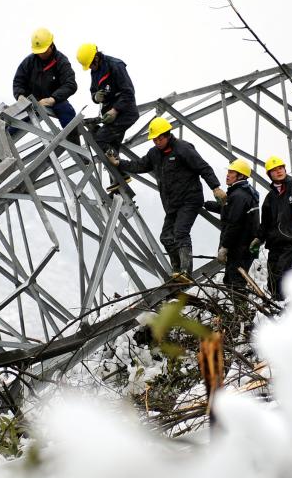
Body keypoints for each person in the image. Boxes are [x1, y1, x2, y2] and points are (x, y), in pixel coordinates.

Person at [110, 117, 226, 281]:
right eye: (154, 139)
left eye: (159, 138)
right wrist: (119, 164)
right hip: (172, 203)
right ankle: (177, 271)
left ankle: (186, 272)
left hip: (189, 199)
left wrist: (216, 187)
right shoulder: (154, 154)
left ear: (167, 135)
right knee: (165, 237)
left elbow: (203, 167)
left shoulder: (183, 149)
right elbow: (140, 165)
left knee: (181, 232)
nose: (157, 142)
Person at [0, 27, 77, 156]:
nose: (41, 54)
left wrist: (52, 99)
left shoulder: (61, 61)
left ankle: (78, 151)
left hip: (55, 100)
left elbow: (70, 84)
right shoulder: (29, 62)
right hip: (33, 101)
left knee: (68, 114)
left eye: (43, 51)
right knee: (16, 119)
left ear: (51, 45)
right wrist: (20, 96)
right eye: (39, 51)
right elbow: (18, 81)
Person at [249, 156, 292, 301]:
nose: (279, 171)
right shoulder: (270, 198)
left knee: (281, 274)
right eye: (274, 170)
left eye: (280, 168)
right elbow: (265, 223)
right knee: (272, 281)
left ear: (285, 170)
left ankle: (289, 303)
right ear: (270, 175)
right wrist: (259, 238)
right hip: (275, 244)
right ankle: (279, 305)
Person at [77, 43, 139, 192]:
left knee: (99, 139)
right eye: (88, 66)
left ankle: (120, 176)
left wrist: (115, 110)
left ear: (96, 57)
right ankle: (119, 183)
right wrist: (95, 97)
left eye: (91, 64)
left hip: (125, 113)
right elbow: (93, 91)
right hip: (110, 114)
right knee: (111, 146)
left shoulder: (115, 65)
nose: (90, 67)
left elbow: (128, 92)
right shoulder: (95, 71)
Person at [204, 158, 260, 311]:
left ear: (240, 176)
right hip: (244, 246)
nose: (228, 175)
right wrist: (207, 205)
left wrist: (224, 247)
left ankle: (243, 313)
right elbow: (228, 210)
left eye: (232, 172)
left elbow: (234, 223)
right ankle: (241, 313)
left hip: (240, 247)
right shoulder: (243, 193)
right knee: (230, 280)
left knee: (235, 282)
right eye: (228, 172)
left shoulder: (239, 196)